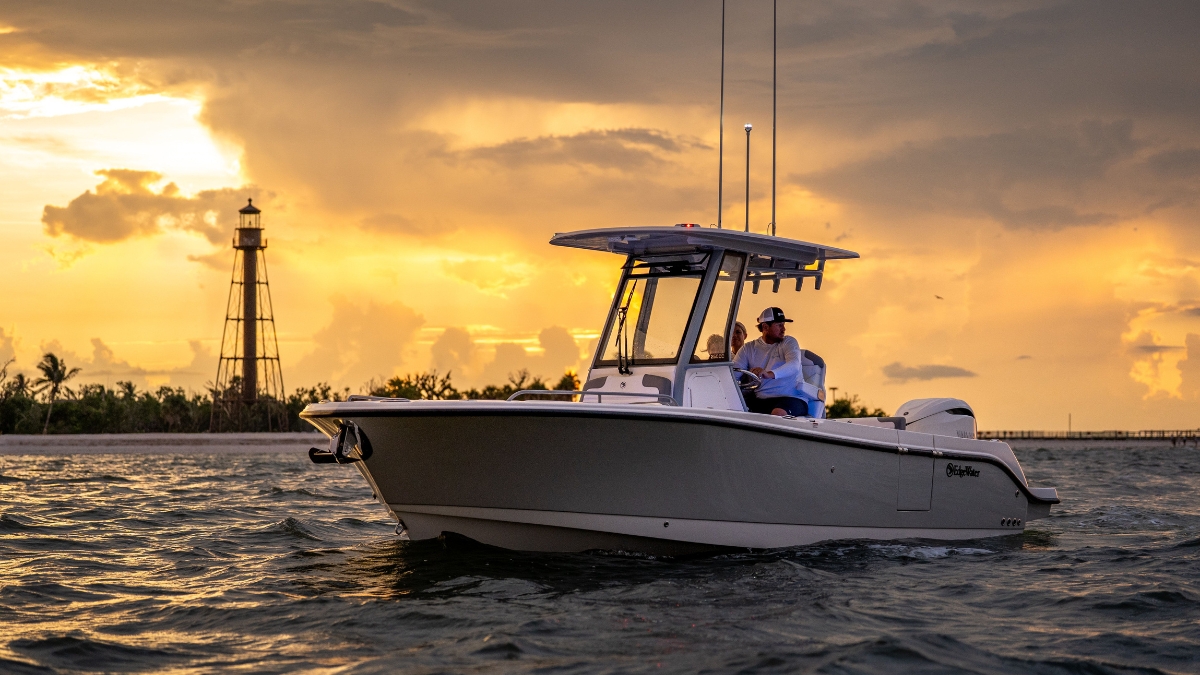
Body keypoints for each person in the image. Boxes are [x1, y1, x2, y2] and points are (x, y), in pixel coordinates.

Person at [732, 307, 808, 417]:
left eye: (783, 325)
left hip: (792, 398)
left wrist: (769, 374)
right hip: (760, 400)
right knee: (731, 410)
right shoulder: (748, 349)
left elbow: (794, 365)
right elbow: (733, 376)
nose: (784, 329)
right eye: (779, 325)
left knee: (778, 414)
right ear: (765, 327)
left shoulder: (789, 342)